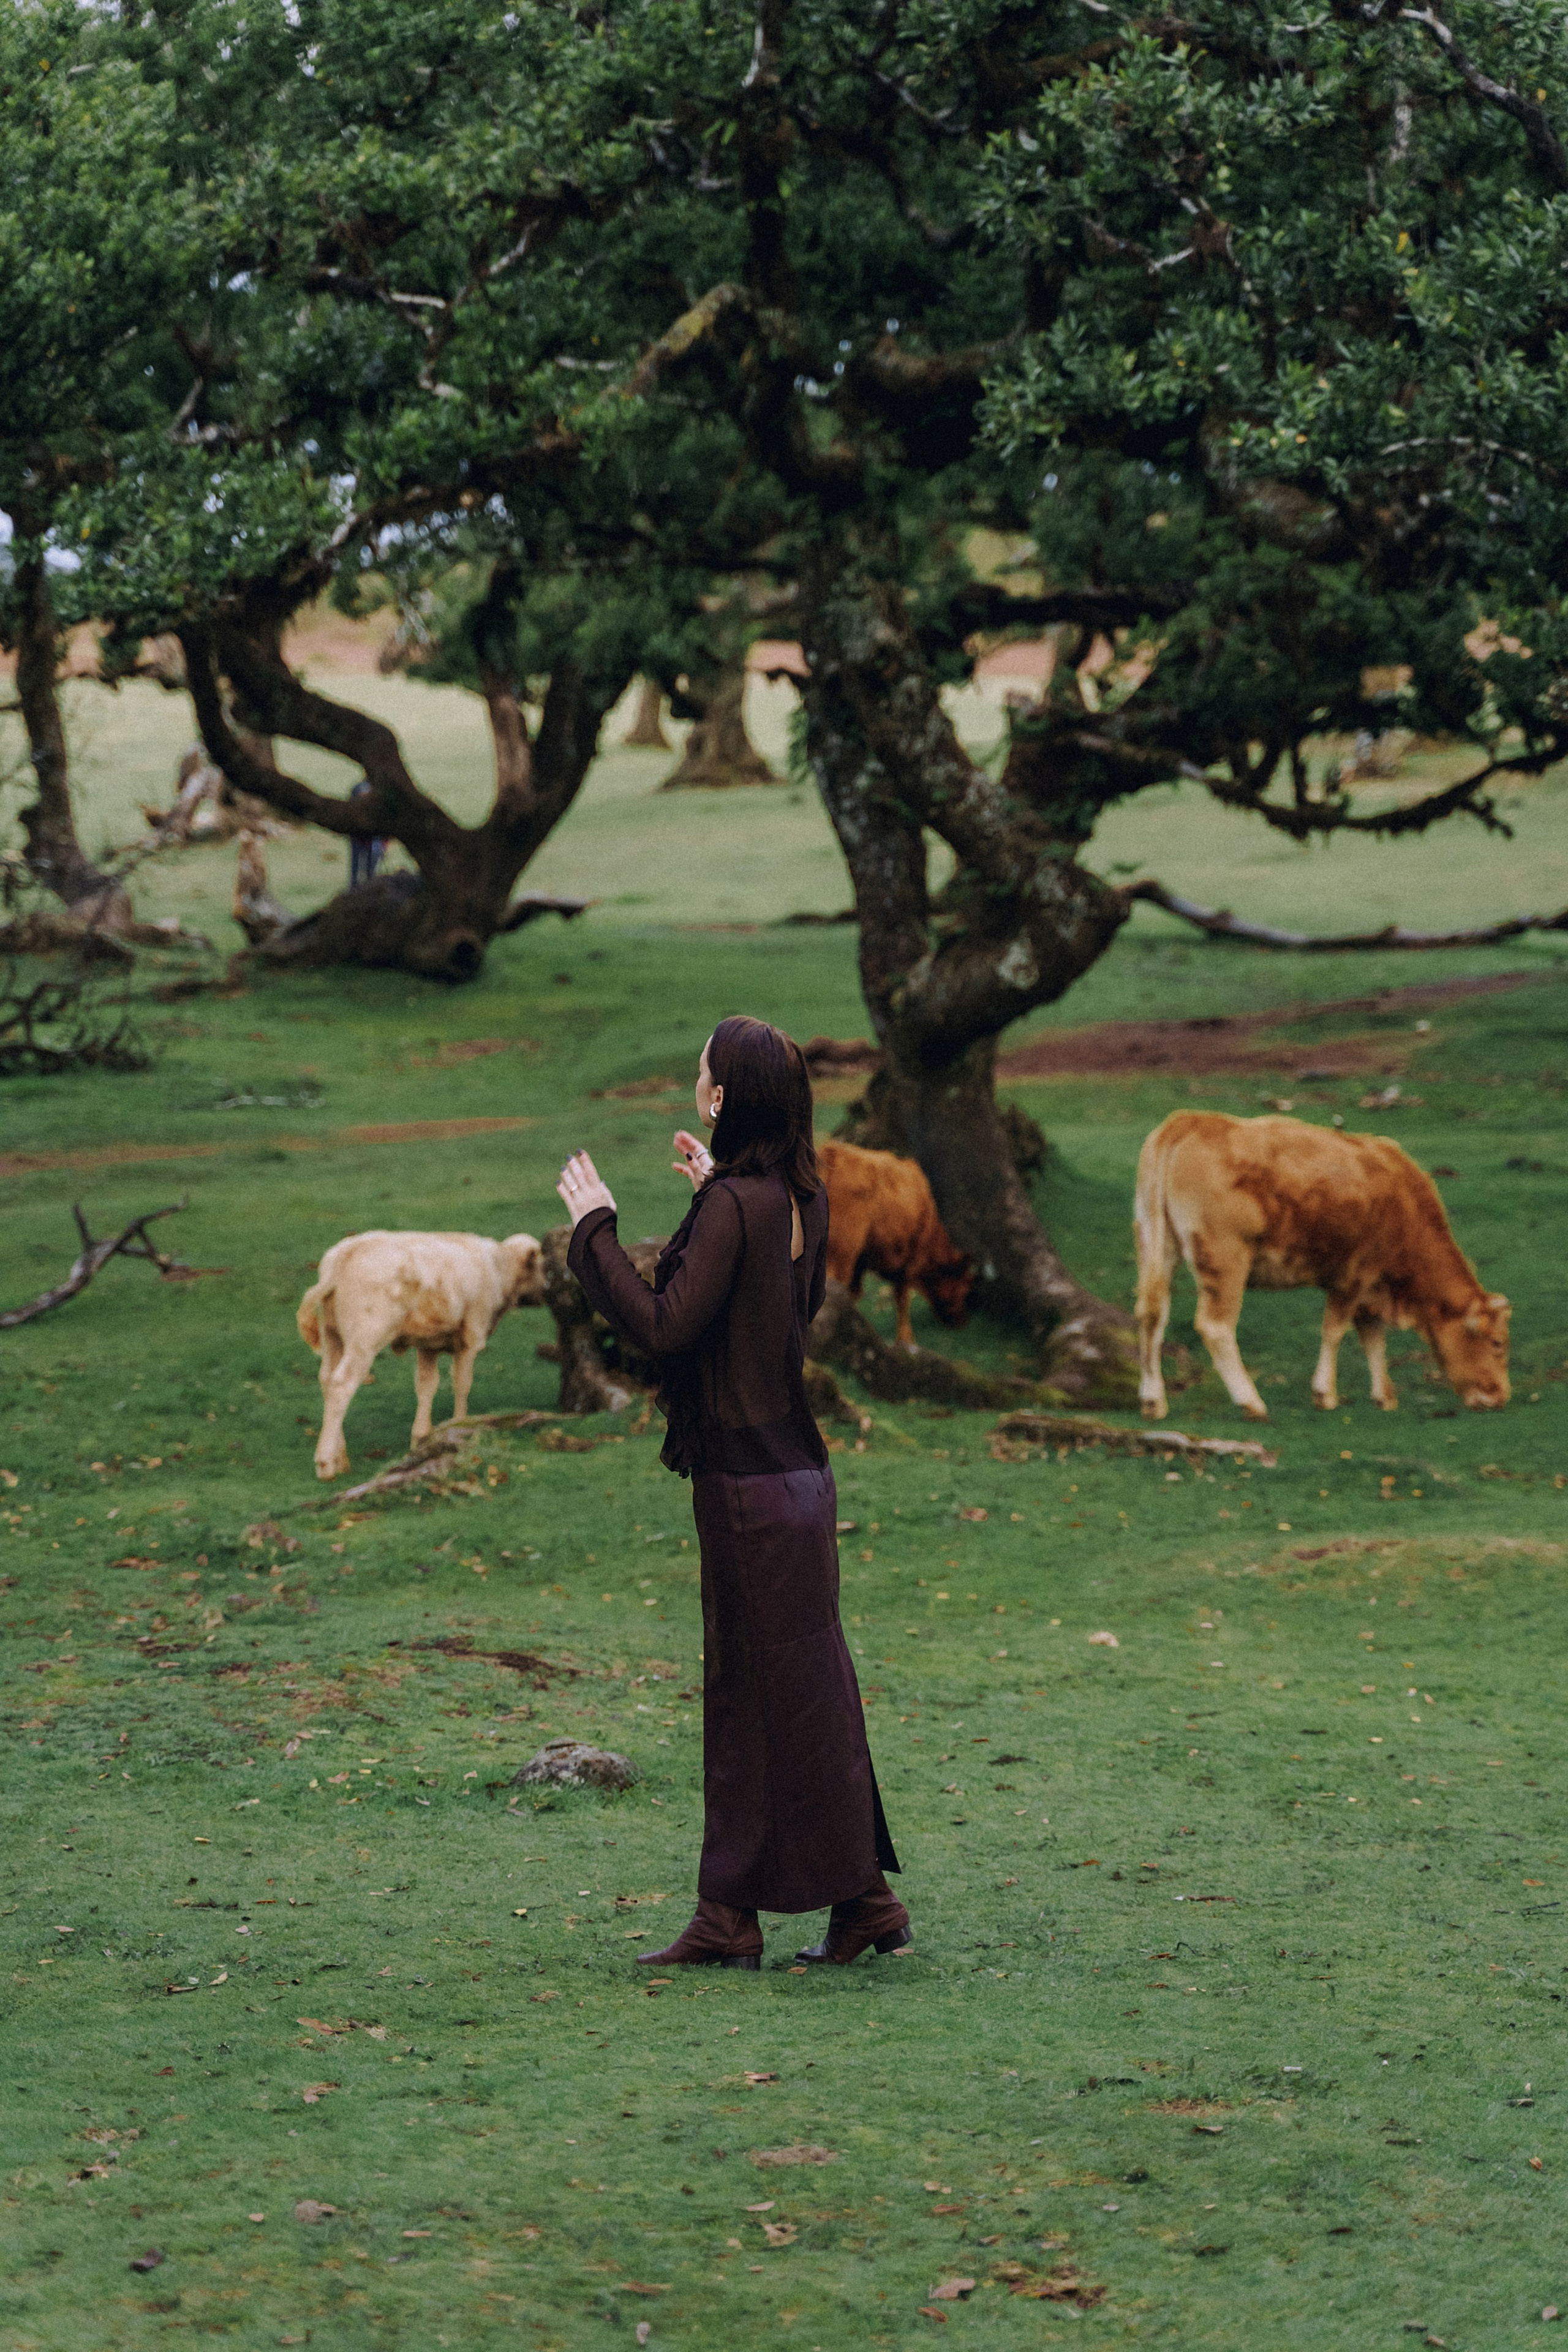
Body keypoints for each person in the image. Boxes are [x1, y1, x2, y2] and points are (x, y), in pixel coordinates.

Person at [556, 1015, 908, 1970]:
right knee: (809, 1693)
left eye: (702, 1077)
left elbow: (664, 1329)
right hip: (801, 1479)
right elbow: (780, 1300)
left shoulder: (738, 1206)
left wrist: (594, 1231)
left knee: (752, 1695)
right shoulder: (800, 1198)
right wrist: (715, 1192)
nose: (695, 1086)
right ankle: (858, 1902)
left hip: (749, 1492)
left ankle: (735, 1917)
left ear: (723, 1099)